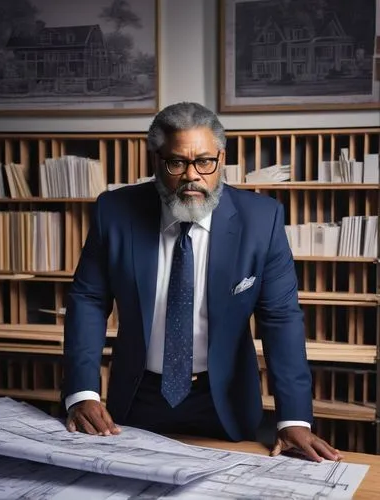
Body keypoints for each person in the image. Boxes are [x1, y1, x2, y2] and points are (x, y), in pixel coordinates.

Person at [63, 102, 342, 462]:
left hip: (224, 399)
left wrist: (293, 418)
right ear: (156, 161)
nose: (192, 176)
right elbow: (88, 299)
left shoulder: (262, 221)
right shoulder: (113, 212)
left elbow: (281, 319)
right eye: (177, 162)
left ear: (221, 159)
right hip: (137, 397)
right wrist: (83, 392)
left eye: (205, 162)